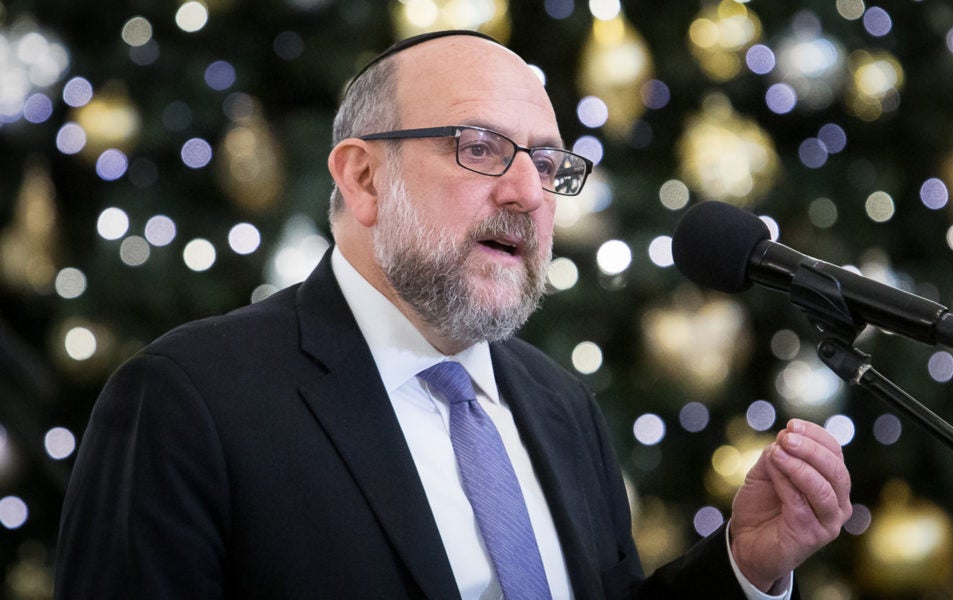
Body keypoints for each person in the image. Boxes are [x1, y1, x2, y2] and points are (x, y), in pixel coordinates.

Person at [54, 30, 851, 599]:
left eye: (546, 163)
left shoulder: (558, 403)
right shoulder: (188, 399)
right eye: (479, 147)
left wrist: (741, 568)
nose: (528, 193)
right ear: (364, 179)